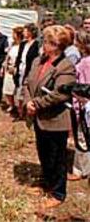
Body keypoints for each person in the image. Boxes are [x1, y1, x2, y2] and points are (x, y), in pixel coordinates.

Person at [24, 25, 76, 209]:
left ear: (56, 45)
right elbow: (27, 83)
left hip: (55, 119)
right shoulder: (38, 61)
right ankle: (46, 183)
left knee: (57, 159)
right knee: (44, 154)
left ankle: (58, 193)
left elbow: (61, 94)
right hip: (38, 117)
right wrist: (28, 102)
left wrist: (36, 104)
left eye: (46, 42)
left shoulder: (65, 66)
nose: (43, 44)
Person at [68, 30, 90, 182]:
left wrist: (76, 108)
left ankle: (80, 170)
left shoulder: (82, 65)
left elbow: (78, 89)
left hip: (84, 106)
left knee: (82, 138)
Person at [13, 23, 40, 120]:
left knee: (26, 90)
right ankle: (20, 113)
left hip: (29, 70)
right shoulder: (23, 44)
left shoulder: (36, 45)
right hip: (20, 69)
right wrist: (16, 67)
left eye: (25, 30)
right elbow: (19, 57)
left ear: (30, 32)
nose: (23, 32)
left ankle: (27, 113)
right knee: (19, 90)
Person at [2, 26, 24, 114]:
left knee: (18, 91)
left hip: (17, 69)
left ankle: (20, 108)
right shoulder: (12, 44)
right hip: (9, 68)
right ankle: (11, 105)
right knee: (7, 89)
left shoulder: (22, 46)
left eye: (14, 33)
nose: (12, 35)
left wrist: (15, 67)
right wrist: (4, 65)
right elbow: (8, 55)